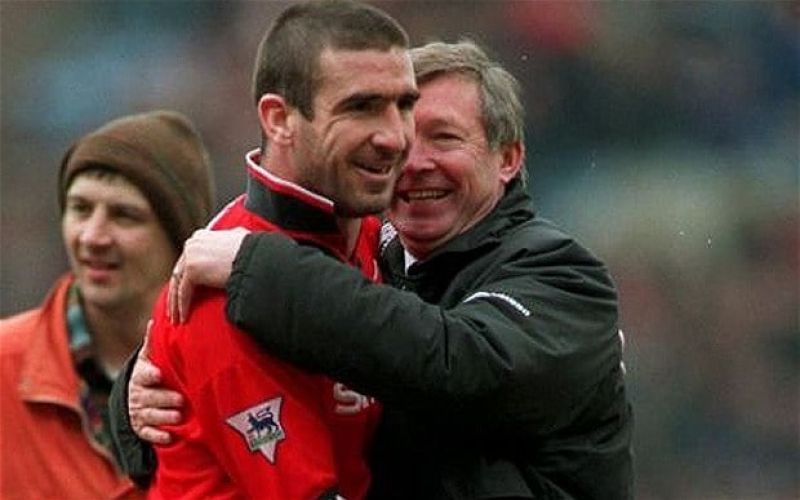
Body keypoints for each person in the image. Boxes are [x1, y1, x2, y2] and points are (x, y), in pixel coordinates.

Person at [120, 40, 634, 498]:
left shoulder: (564, 278)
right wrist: (142, 395)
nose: (415, 164)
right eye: (401, 141)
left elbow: (456, 364)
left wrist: (257, 266)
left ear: (508, 159)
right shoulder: (370, 257)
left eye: (444, 138)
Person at [108, 1, 418, 499]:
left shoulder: (374, 234)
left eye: (404, 105)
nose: (395, 136)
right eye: (361, 107)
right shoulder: (217, 295)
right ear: (279, 120)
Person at [0, 110, 215, 499]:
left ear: (180, 238)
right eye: (80, 209)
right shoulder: (6, 367)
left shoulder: (229, 375)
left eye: (124, 215)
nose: (92, 236)